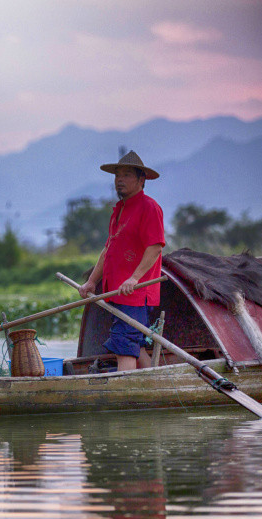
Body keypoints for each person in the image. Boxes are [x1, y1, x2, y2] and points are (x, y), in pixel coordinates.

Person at [78, 151, 165, 371]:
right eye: (117, 175)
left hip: (134, 292)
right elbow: (108, 250)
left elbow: (154, 248)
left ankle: (126, 392)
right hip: (118, 292)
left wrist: (134, 278)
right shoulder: (119, 210)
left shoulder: (149, 207)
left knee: (124, 344)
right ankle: (154, 384)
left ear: (141, 180)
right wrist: (91, 282)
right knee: (134, 343)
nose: (120, 180)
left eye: (127, 175)